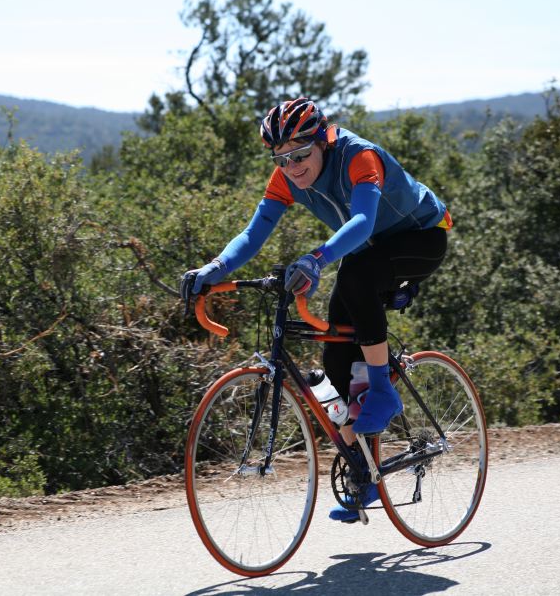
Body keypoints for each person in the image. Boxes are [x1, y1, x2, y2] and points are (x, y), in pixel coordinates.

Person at [182, 97, 452, 522]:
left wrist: (316, 259)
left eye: (301, 155)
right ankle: (365, 476)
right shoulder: (286, 176)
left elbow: (363, 221)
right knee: (337, 352)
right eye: (281, 158)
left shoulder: (358, 157)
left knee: (357, 278)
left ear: (325, 139)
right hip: (368, 251)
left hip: (421, 237)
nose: (292, 166)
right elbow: (255, 233)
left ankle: (383, 391)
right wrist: (215, 267)